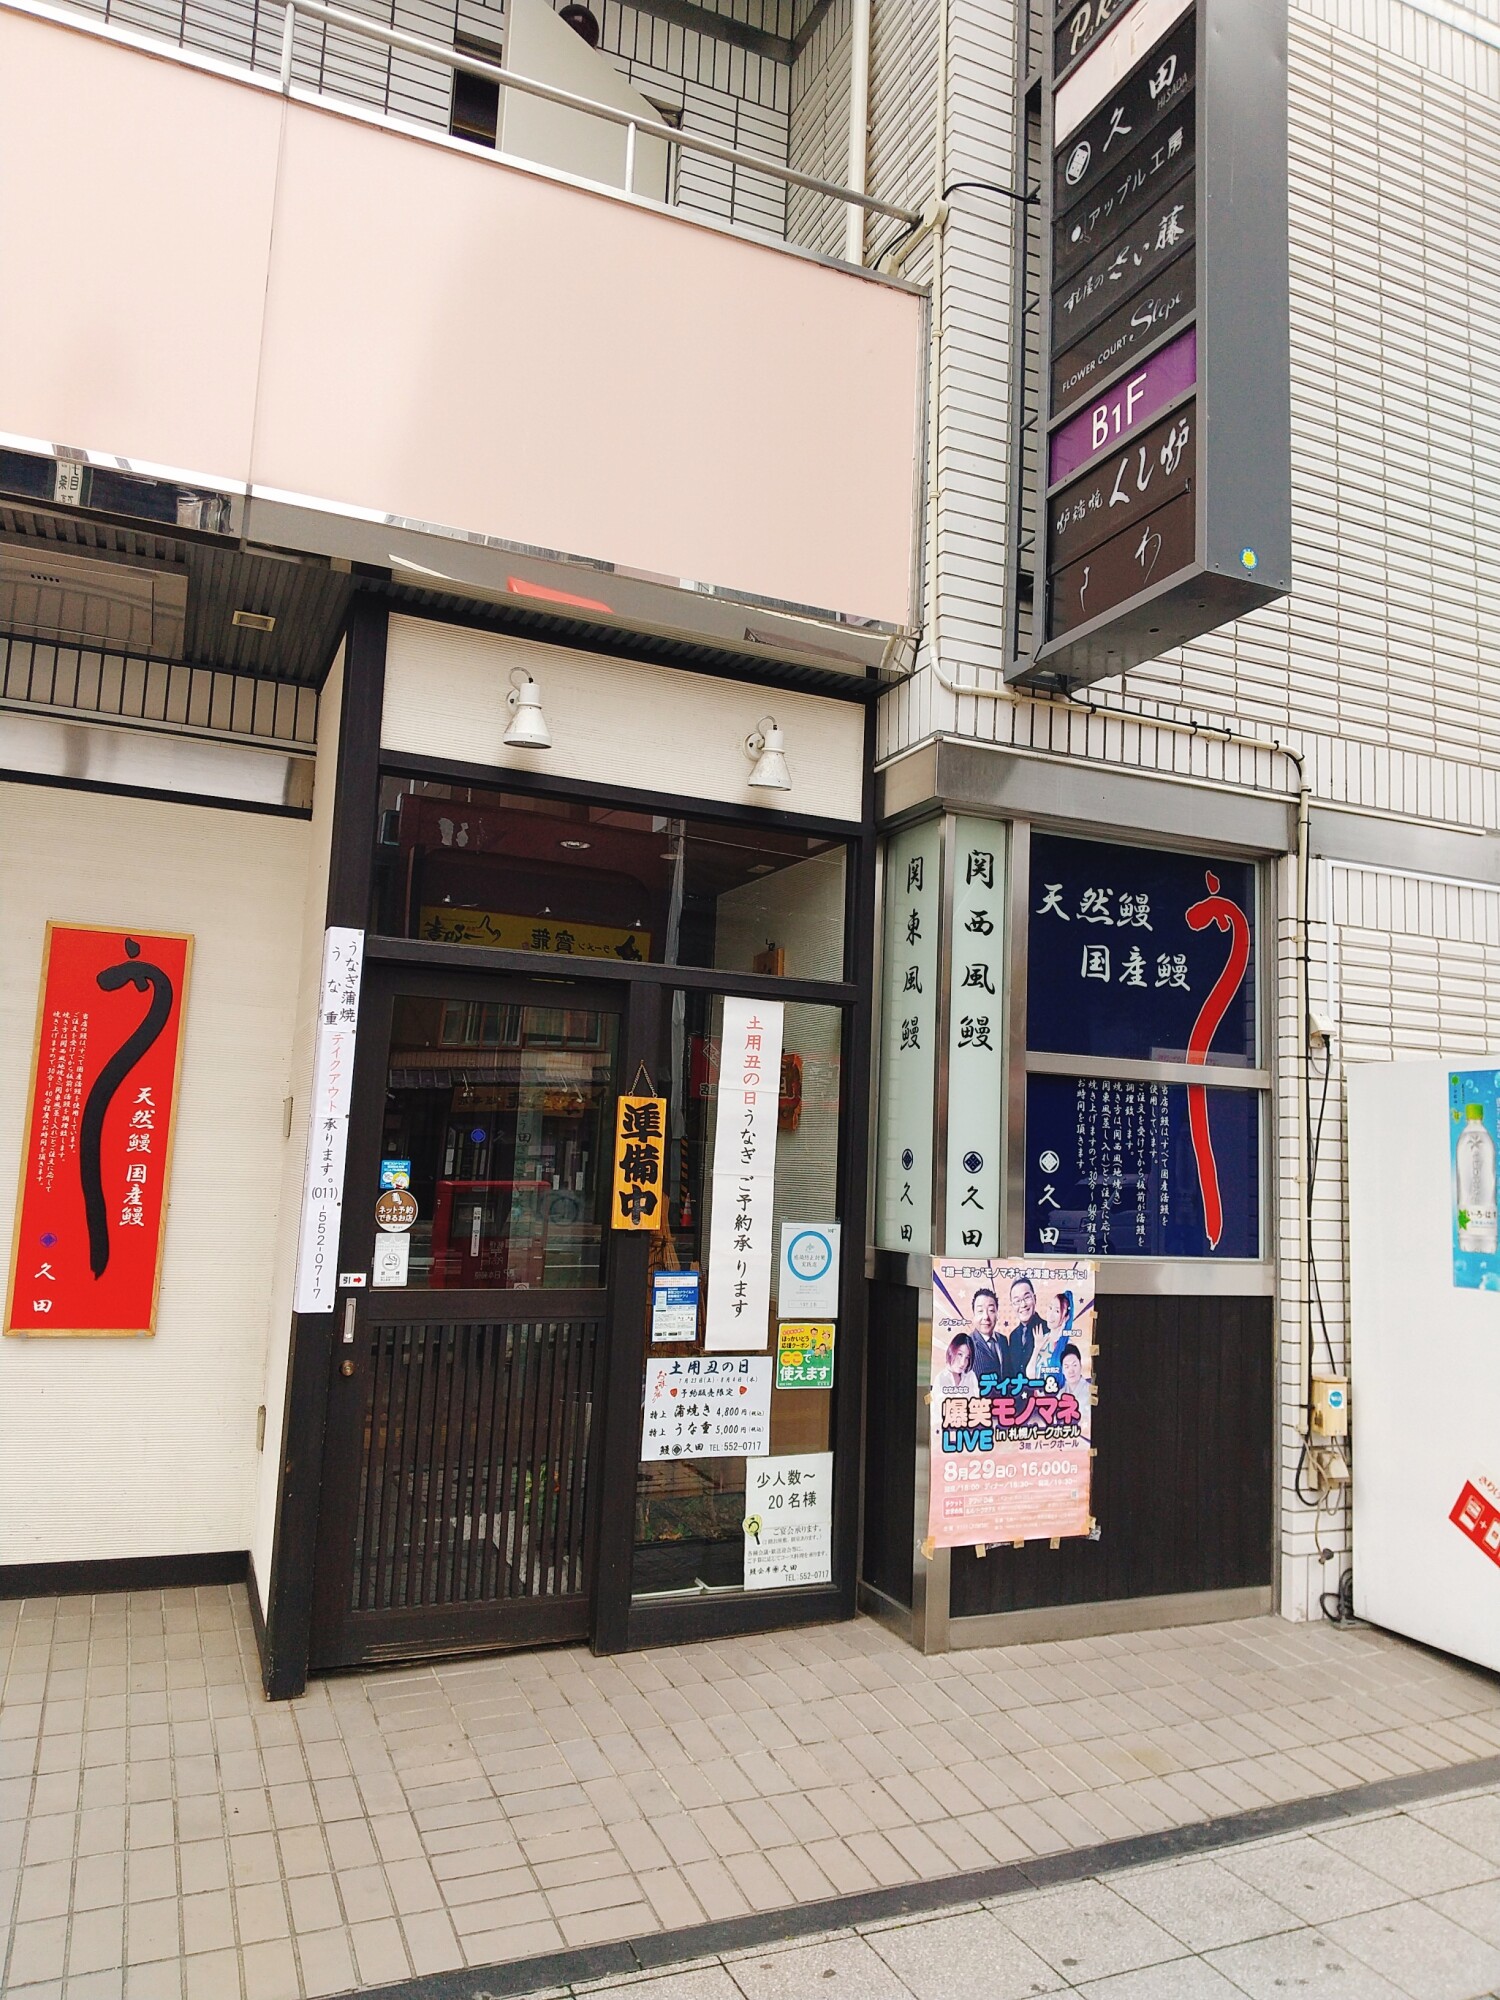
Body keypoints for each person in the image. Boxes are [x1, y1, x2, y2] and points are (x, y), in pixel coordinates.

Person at [999, 1274, 1049, 1381]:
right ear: (1012, 1305)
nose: (1023, 1305)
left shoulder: (1048, 1329)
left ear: (1035, 1299)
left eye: (1027, 1297)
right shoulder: (1013, 1336)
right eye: (1017, 1301)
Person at [1030, 1288, 1074, 1379]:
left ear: (1066, 1317)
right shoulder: (1042, 1339)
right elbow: (1030, 1375)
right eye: (1050, 1308)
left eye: (1057, 1311)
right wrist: (1036, 1348)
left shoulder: (1067, 1345)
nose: (1050, 1314)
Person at [965, 1287, 1005, 1387]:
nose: (986, 1317)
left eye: (991, 1310)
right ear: (973, 1315)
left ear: (997, 1314)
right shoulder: (967, 1344)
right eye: (980, 1311)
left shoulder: (1003, 1340)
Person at [1060, 1342, 1091, 1436]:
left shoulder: (1090, 1390)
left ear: (1081, 1365)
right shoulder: (1060, 1394)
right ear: (1062, 1370)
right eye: (1066, 1367)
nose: (1071, 1370)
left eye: (1074, 1365)